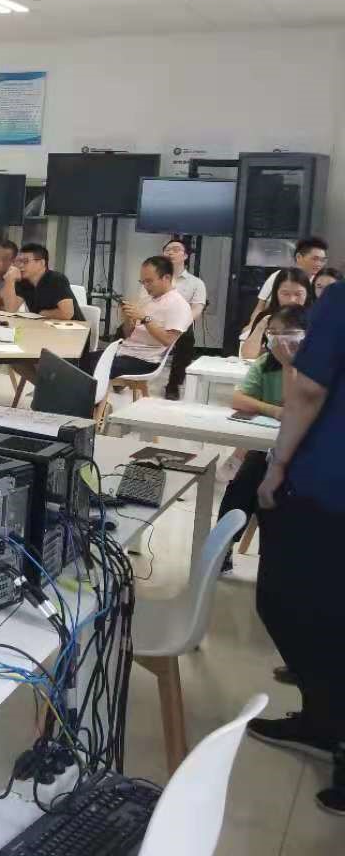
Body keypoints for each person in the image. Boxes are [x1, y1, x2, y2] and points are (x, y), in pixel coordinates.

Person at [253, 281, 345, 815]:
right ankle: (321, 718)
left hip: (328, 485)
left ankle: (329, 723)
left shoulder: (341, 302)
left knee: (287, 600)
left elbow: (308, 390)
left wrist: (278, 464)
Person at [215, 304, 307, 576]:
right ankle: (223, 547)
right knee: (246, 478)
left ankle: (275, 559)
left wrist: (290, 366)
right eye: (273, 333)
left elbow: (296, 409)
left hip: (305, 454)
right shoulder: (266, 364)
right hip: (268, 448)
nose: (277, 340)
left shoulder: (315, 367)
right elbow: (238, 398)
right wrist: (272, 410)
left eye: (285, 333)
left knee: (276, 487)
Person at [76, 257, 192, 379]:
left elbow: (167, 340)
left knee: (87, 368)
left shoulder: (178, 304)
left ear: (166, 278)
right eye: (142, 282)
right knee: (76, 361)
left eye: (149, 281)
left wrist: (144, 318)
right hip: (124, 351)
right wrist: (128, 318)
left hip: (145, 360)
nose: (145, 286)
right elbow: (128, 335)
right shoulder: (148, 299)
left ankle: (91, 390)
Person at [244, 236, 328, 331]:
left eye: (323, 260)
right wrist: (251, 327)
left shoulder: (320, 283)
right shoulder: (279, 276)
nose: (319, 264)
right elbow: (260, 308)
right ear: (299, 257)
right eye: (315, 259)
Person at [162, 238, 206, 400]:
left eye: (175, 249)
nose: (170, 252)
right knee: (125, 328)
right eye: (167, 250)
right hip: (155, 319)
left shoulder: (196, 283)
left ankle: (173, 385)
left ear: (186, 256)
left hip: (181, 324)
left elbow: (197, 309)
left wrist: (181, 323)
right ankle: (123, 374)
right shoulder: (156, 279)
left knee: (187, 338)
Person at [240, 267, 312, 360]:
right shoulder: (266, 318)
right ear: (276, 293)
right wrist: (261, 326)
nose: (292, 300)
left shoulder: (316, 319)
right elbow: (248, 355)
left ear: (307, 294)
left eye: (298, 294)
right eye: (285, 294)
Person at [2, 243, 79, 320]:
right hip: (42, 325)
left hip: (73, 325)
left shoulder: (57, 279)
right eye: (19, 261)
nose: (21, 265)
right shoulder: (23, 280)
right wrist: (10, 281)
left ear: (42, 263)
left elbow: (67, 314)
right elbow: (11, 309)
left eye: (25, 261)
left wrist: (42, 313)